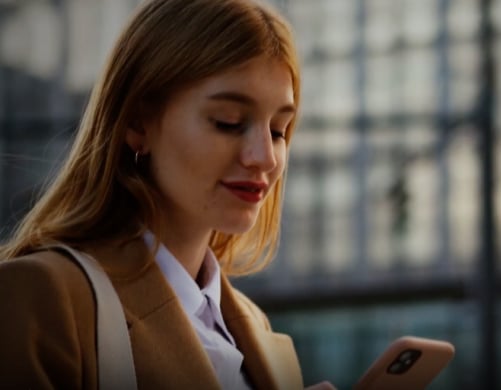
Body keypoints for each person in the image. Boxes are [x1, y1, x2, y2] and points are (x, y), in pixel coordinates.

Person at [0, 0, 335, 389]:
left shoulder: (256, 328)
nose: (264, 157)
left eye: (279, 130)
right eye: (228, 122)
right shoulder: (40, 297)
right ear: (138, 123)